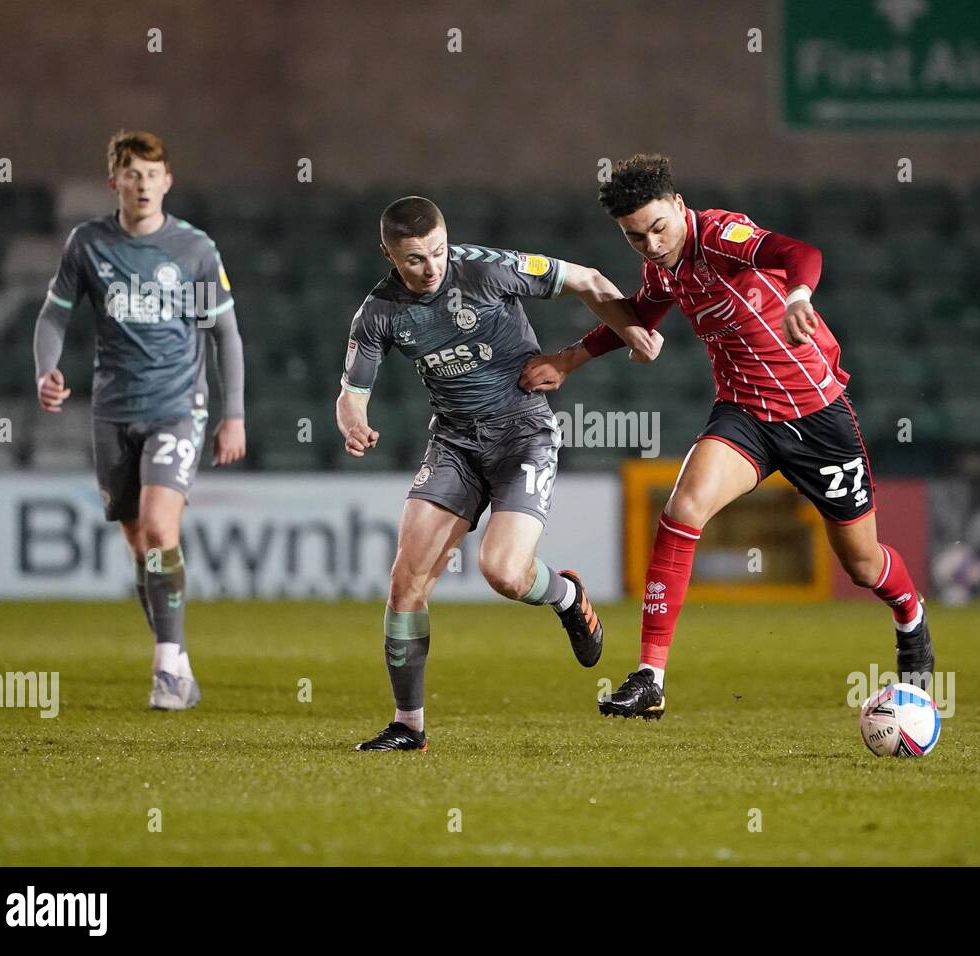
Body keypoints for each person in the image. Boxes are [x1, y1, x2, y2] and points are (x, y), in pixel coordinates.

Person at [521, 154, 934, 719]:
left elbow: (800, 254)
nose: (650, 244)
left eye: (658, 228)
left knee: (862, 566)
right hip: (743, 412)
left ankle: (911, 618)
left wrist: (798, 296)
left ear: (679, 206)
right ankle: (650, 678)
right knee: (683, 507)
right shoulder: (660, 266)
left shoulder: (719, 234)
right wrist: (568, 361)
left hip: (816, 414)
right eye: (634, 236)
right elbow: (642, 311)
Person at [337, 195, 659, 750]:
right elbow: (351, 392)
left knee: (503, 573)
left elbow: (588, 279)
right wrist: (355, 423)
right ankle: (408, 725)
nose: (431, 267)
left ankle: (564, 596)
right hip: (454, 446)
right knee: (406, 581)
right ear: (388, 253)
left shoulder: (486, 269)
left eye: (437, 251)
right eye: (415, 259)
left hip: (523, 435)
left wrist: (632, 331)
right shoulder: (379, 311)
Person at [34, 129, 246, 710]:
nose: (143, 184)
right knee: (138, 543)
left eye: (153, 174)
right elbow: (53, 316)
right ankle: (177, 659)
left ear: (168, 181)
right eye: (132, 174)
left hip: (178, 407)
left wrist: (234, 416)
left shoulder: (193, 250)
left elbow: (223, 335)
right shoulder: (89, 245)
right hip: (113, 411)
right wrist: (45, 371)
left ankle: (166, 672)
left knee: (158, 527)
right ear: (115, 183)